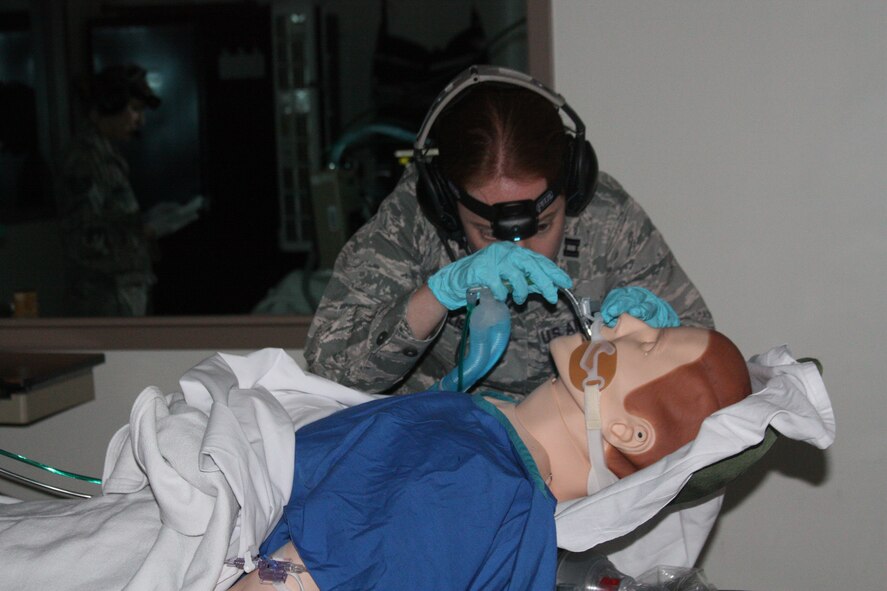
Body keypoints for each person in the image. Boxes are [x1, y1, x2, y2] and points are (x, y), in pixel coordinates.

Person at [233, 315, 751, 591]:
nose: (633, 319)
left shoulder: (468, 480)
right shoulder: (513, 509)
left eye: (649, 344)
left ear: (628, 432)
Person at [304, 65, 713, 396]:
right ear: (447, 205)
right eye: (486, 229)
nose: (523, 249)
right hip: (447, 442)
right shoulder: (412, 221)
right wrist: (435, 297)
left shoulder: (606, 216)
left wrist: (663, 329)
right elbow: (330, 369)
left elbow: (707, 354)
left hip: (576, 441)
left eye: (545, 224)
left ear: (574, 184)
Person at [56, 63, 161, 316]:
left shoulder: (106, 156)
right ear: (110, 106)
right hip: (105, 300)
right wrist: (138, 234)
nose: (140, 120)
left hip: (122, 296)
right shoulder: (86, 160)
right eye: (134, 109)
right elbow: (83, 240)